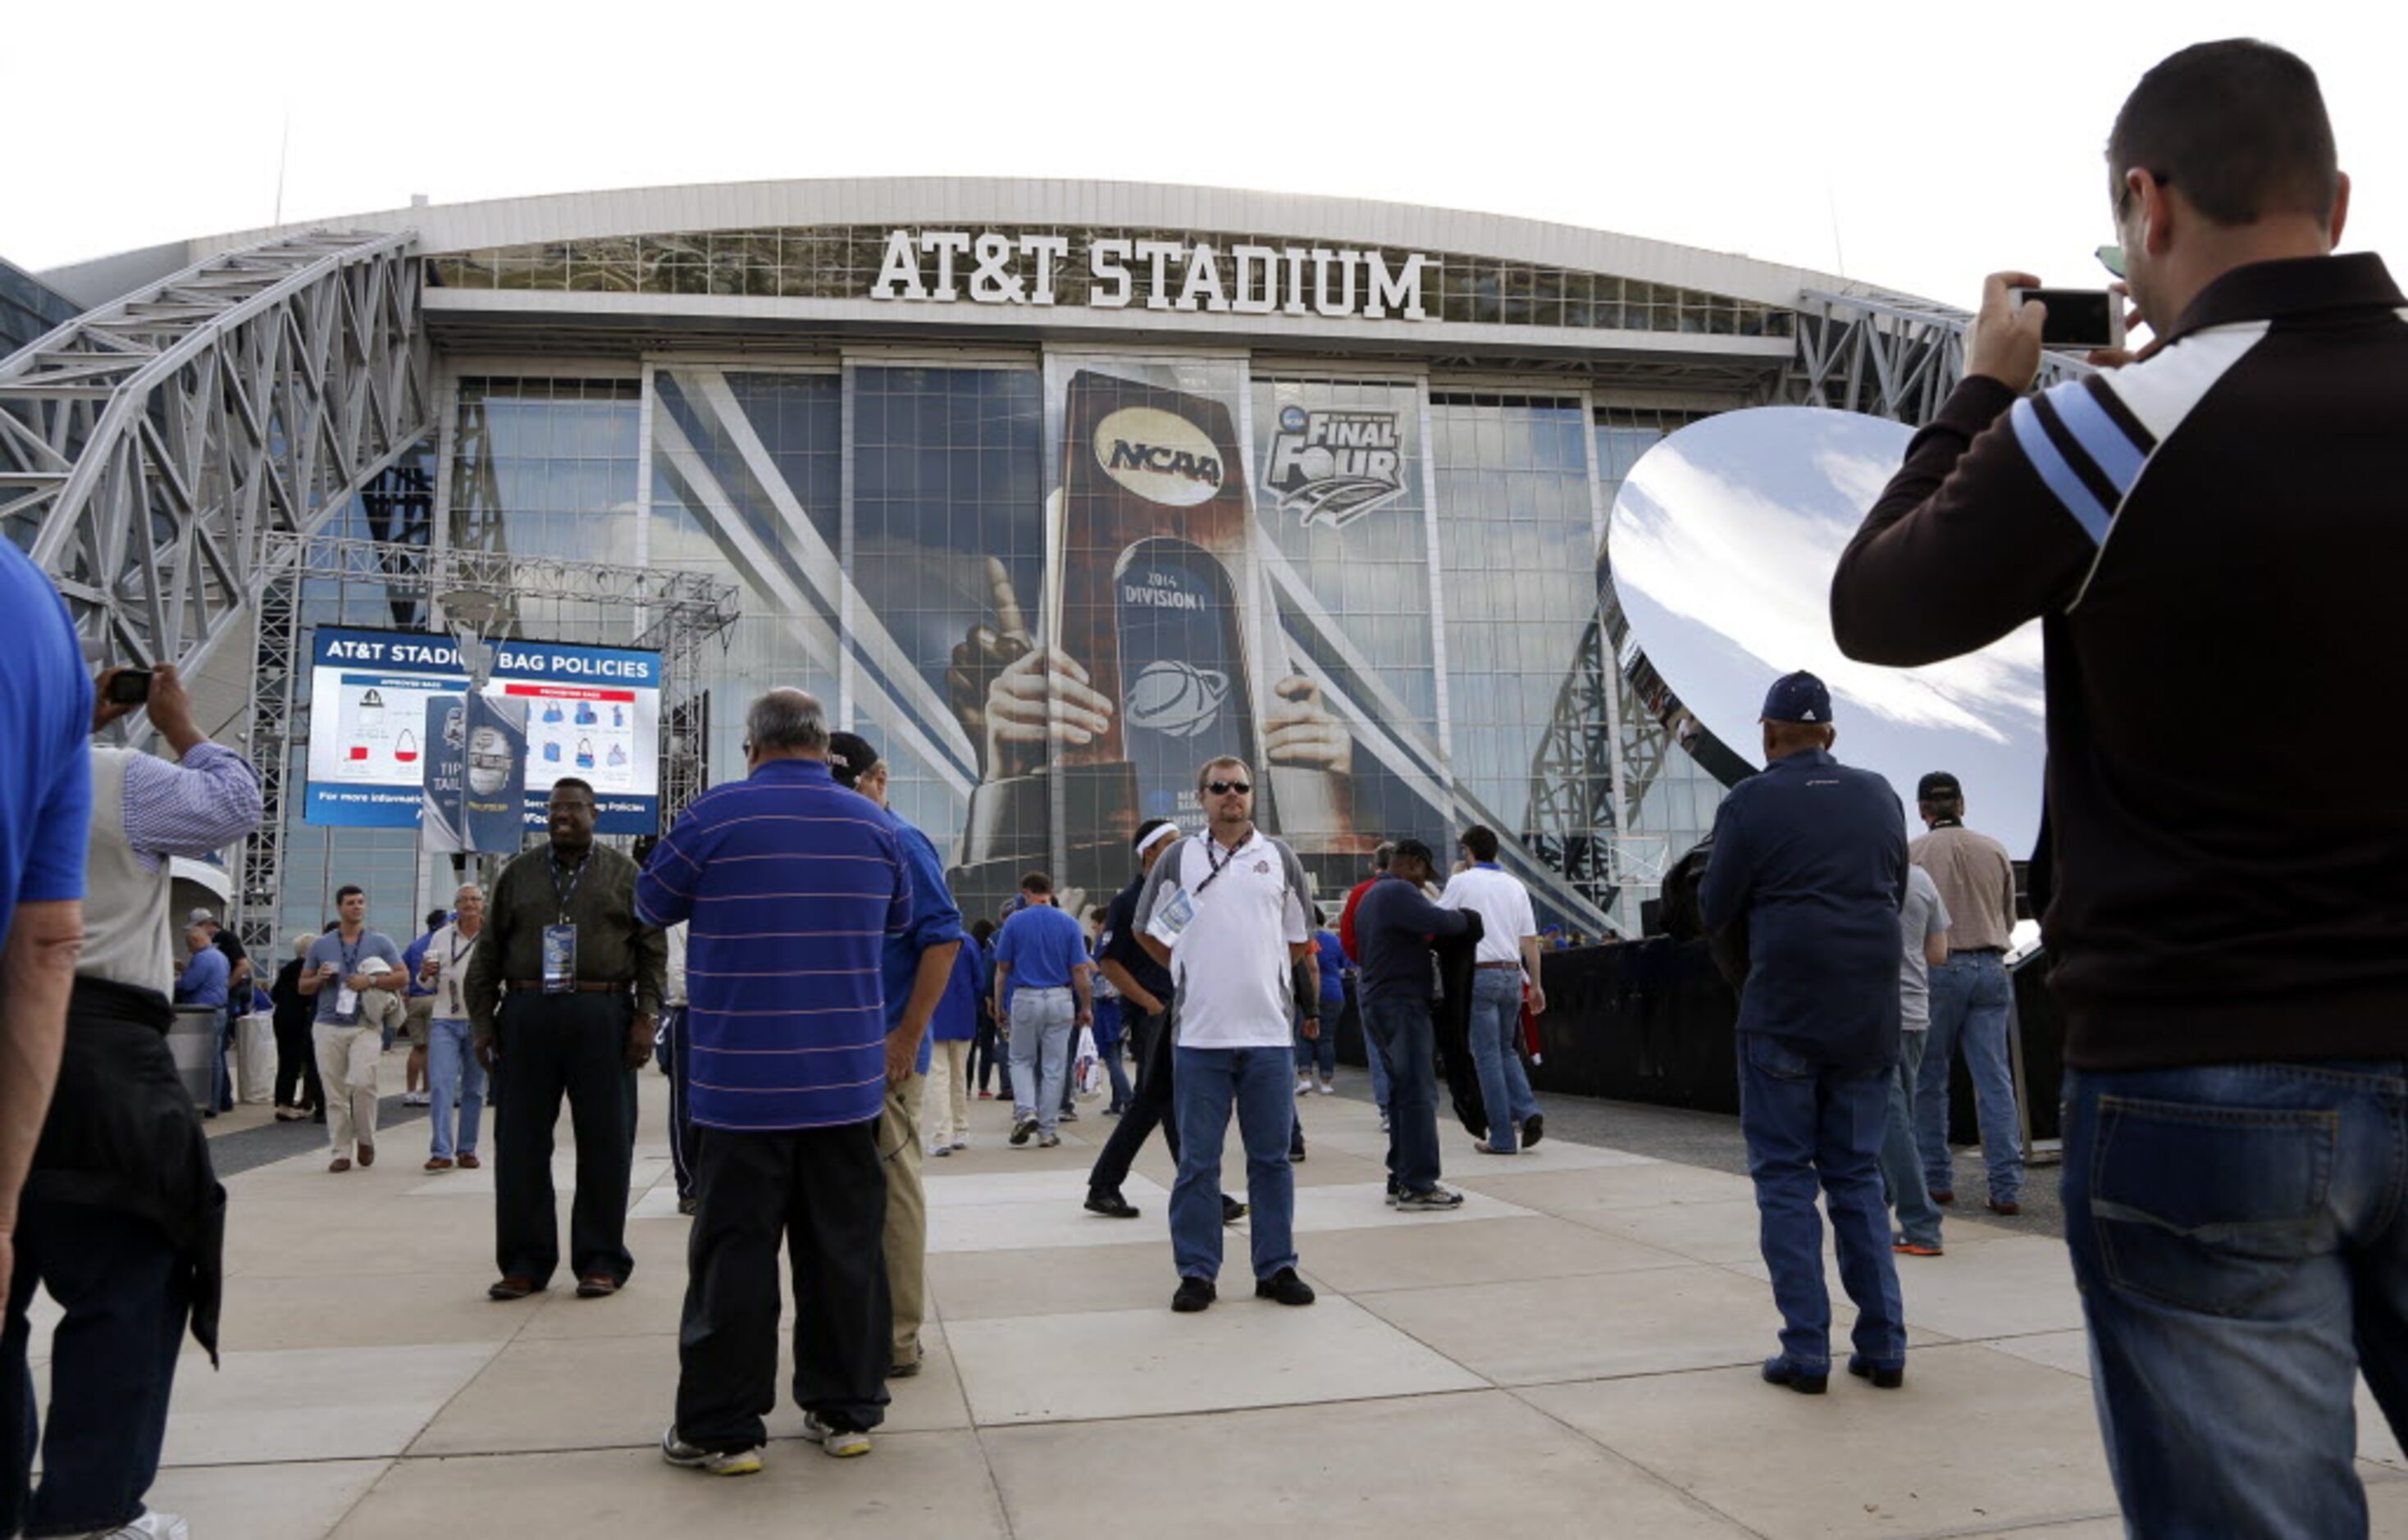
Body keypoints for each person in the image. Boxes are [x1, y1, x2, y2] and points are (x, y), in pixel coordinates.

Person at [1829, 39, 2406, 1529]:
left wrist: (1979, 396)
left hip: (2198, 1070)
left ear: (2143, 207)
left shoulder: (2103, 431)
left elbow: (1877, 604)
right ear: (2336, 198)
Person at [2, 658, 258, 1540]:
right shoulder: (119, 777)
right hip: (99, 1055)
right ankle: (90, 1510)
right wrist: (180, 724)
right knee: (124, 1284)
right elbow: (232, 806)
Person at [642, 690, 909, 1475]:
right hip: (845, 1082)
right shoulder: (876, 826)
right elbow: (896, 922)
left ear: (752, 746)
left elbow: (649, 902)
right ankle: (846, 1412)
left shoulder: (713, 817)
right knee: (846, 1254)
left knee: (734, 1257)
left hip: (741, 1088)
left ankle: (723, 1430)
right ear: (823, 748)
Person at [1699, 672, 1907, 1396]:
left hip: (1785, 1004)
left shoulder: (1750, 800)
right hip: (1867, 1009)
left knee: (1786, 1178)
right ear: (1832, 735)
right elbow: (1896, 885)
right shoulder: (1880, 791)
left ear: (1766, 733)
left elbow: (1715, 903)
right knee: (1855, 1174)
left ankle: (1807, 1351)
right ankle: (1883, 1345)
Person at [467, 777, 664, 1301]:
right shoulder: (518, 875)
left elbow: (652, 951)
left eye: (574, 808)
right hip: (527, 1014)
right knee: (519, 1144)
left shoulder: (626, 874)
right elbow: (487, 953)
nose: (562, 816)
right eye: (555, 809)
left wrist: (645, 1018)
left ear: (595, 814)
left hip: (603, 1016)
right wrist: (484, 1023)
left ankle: (601, 1260)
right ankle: (524, 1264)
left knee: (606, 1141)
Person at [1138, 756, 1316, 1313]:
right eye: (1220, 788)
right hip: (1200, 1037)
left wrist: (1269, 978)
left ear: (1250, 795)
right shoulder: (1178, 858)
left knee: (1271, 1160)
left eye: (1240, 787)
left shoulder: (1279, 857)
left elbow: (1298, 936)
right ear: (1203, 796)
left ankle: (1276, 1266)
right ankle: (1196, 1272)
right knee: (1198, 1162)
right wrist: (1186, 970)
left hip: (1267, 1035)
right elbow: (1149, 931)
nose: (1231, 796)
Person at [826, 731, 961, 1382]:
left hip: (886, 1054)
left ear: (880, 780)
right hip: (834, 1051)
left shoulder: (902, 841)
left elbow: (944, 940)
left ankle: (899, 1337)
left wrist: (907, 1035)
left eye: (851, 789)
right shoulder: (837, 839)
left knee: (892, 1193)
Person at [1084, 819, 1246, 1226]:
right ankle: (1200, 1193)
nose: (1181, 851)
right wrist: (1152, 1005)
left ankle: (1110, 1185)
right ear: (1150, 853)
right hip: (1154, 1018)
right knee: (1165, 1103)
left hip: (1178, 1014)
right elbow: (1109, 962)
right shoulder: (1130, 900)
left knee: (1161, 1104)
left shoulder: (1176, 896)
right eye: (1171, 844)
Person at [1899, 772, 2023, 1214]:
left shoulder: (1912, 856)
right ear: (1963, 805)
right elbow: (2007, 919)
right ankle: (2006, 1187)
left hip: (1938, 971)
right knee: (1994, 1080)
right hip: (1991, 968)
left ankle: (1937, 1181)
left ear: (1922, 810)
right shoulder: (1994, 849)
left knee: (1930, 1081)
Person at [1354, 839, 1475, 1211]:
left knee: (1399, 1092)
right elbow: (1443, 922)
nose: (1425, 885)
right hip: (1403, 1003)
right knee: (1419, 1093)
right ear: (1414, 865)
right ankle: (1419, 1184)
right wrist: (1468, 918)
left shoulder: (1370, 897)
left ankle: (1400, 1176)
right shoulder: (1399, 892)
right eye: (1424, 876)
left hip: (1377, 1000)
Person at [1439, 826, 1548, 1155]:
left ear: (1467, 851)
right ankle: (1527, 1110)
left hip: (1480, 973)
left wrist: (1458, 874)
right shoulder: (1515, 886)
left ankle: (1501, 1137)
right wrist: (1537, 985)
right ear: (1496, 851)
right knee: (1506, 1051)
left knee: (1486, 1056)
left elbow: (1438, 919)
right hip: (1513, 974)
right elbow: (1529, 941)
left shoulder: (1461, 882)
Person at [300, 886, 408, 1172]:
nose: (357, 907)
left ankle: (366, 1138)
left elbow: (402, 977)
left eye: (360, 902)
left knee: (363, 1083)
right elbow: (302, 985)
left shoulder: (380, 942)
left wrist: (370, 982)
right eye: (350, 903)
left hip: (366, 1024)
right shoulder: (321, 945)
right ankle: (340, 1151)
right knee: (333, 1091)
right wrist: (320, 979)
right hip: (328, 1024)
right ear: (339, 907)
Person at [992, 873, 1091, 1149]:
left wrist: (999, 1005)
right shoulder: (1069, 923)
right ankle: (1048, 1130)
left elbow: (1002, 970)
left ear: (1027, 893)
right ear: (1050, 891)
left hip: (1025, 997)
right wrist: (1086, 1006)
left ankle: (1026, 1112)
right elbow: (1080, 972)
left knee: (1021, 1060)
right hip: (1061, 998)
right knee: (1055, 1067)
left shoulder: (1014, 922)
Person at [1887, 866, 1950, 1257]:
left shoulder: (1857, 873)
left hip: (1873, 1014)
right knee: (1898, 1122)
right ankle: (1885, 1210)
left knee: (1888, 1124)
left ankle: (1921, 1225)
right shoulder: (1923, 878)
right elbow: (1938, 953)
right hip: (1915, 1012)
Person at [419, 885, 488, 1173]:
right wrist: (425, 974)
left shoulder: (493, 936)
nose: (469, 904)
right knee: (441, 1084)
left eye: (474, 899)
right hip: (444, 1018)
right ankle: (441, 1150)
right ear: (455, 905)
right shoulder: (441, 936)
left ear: (483, 904)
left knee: (474, 1089)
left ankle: (467, 1149)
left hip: (481, 1020)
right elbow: (425, 983)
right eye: (463, 900)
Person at [1337, 842, 1396, 1128]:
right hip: (1405, 975)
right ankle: (1410, 1104)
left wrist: (1363, 961)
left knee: (1376, 1043)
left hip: (1371, 973)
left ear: (1375, 866)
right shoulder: (1410, 889)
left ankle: (1387, 1109)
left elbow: (1347, 936)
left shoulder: (1361, 893)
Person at [924, 941, 980, 1157]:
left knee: (938, 1077)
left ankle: (941, 1135)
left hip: (934, 1016)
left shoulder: (927, 942)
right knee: (959, 1076)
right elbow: (978, 981)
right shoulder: (968, 943)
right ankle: (960, 1129)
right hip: (963, 1015)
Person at [172, 922, 230, 1116]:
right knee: (217, 1058)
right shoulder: (220, 957)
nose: (189, 949)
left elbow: (189, 985)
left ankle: (205, 1102)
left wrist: (170, 980)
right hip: (220, 1010)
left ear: (197, 940)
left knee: (204, 1059)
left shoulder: (203, 958)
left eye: (189, 945)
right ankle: (216, 1101)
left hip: (205, 1012)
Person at [268, 932, 326, 1122]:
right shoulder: (309, 970)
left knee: (286, 1061)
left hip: (282, 1017)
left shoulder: (287, 968)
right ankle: (291, 1105)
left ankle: (284, 1103)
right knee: (301, 1062)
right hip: (301, 1018)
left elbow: (274, 994)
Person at [398, 907, 448, 1106]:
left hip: (415, 1000)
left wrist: (405, 992)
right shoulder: (443, 942)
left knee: (417, 1047)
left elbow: (402, 967)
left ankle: (410, 1091)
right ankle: (427, 1091)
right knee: (432, 1048)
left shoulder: (415, 945)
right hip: (434, 998)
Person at [965, 919, 1002, 1099]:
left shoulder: (968, 949)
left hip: (971, 1005)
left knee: (970, 1048)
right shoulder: (989, 951)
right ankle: (983, 1087)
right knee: (987, 1046)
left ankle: (966, 1086)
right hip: (987, 1003)